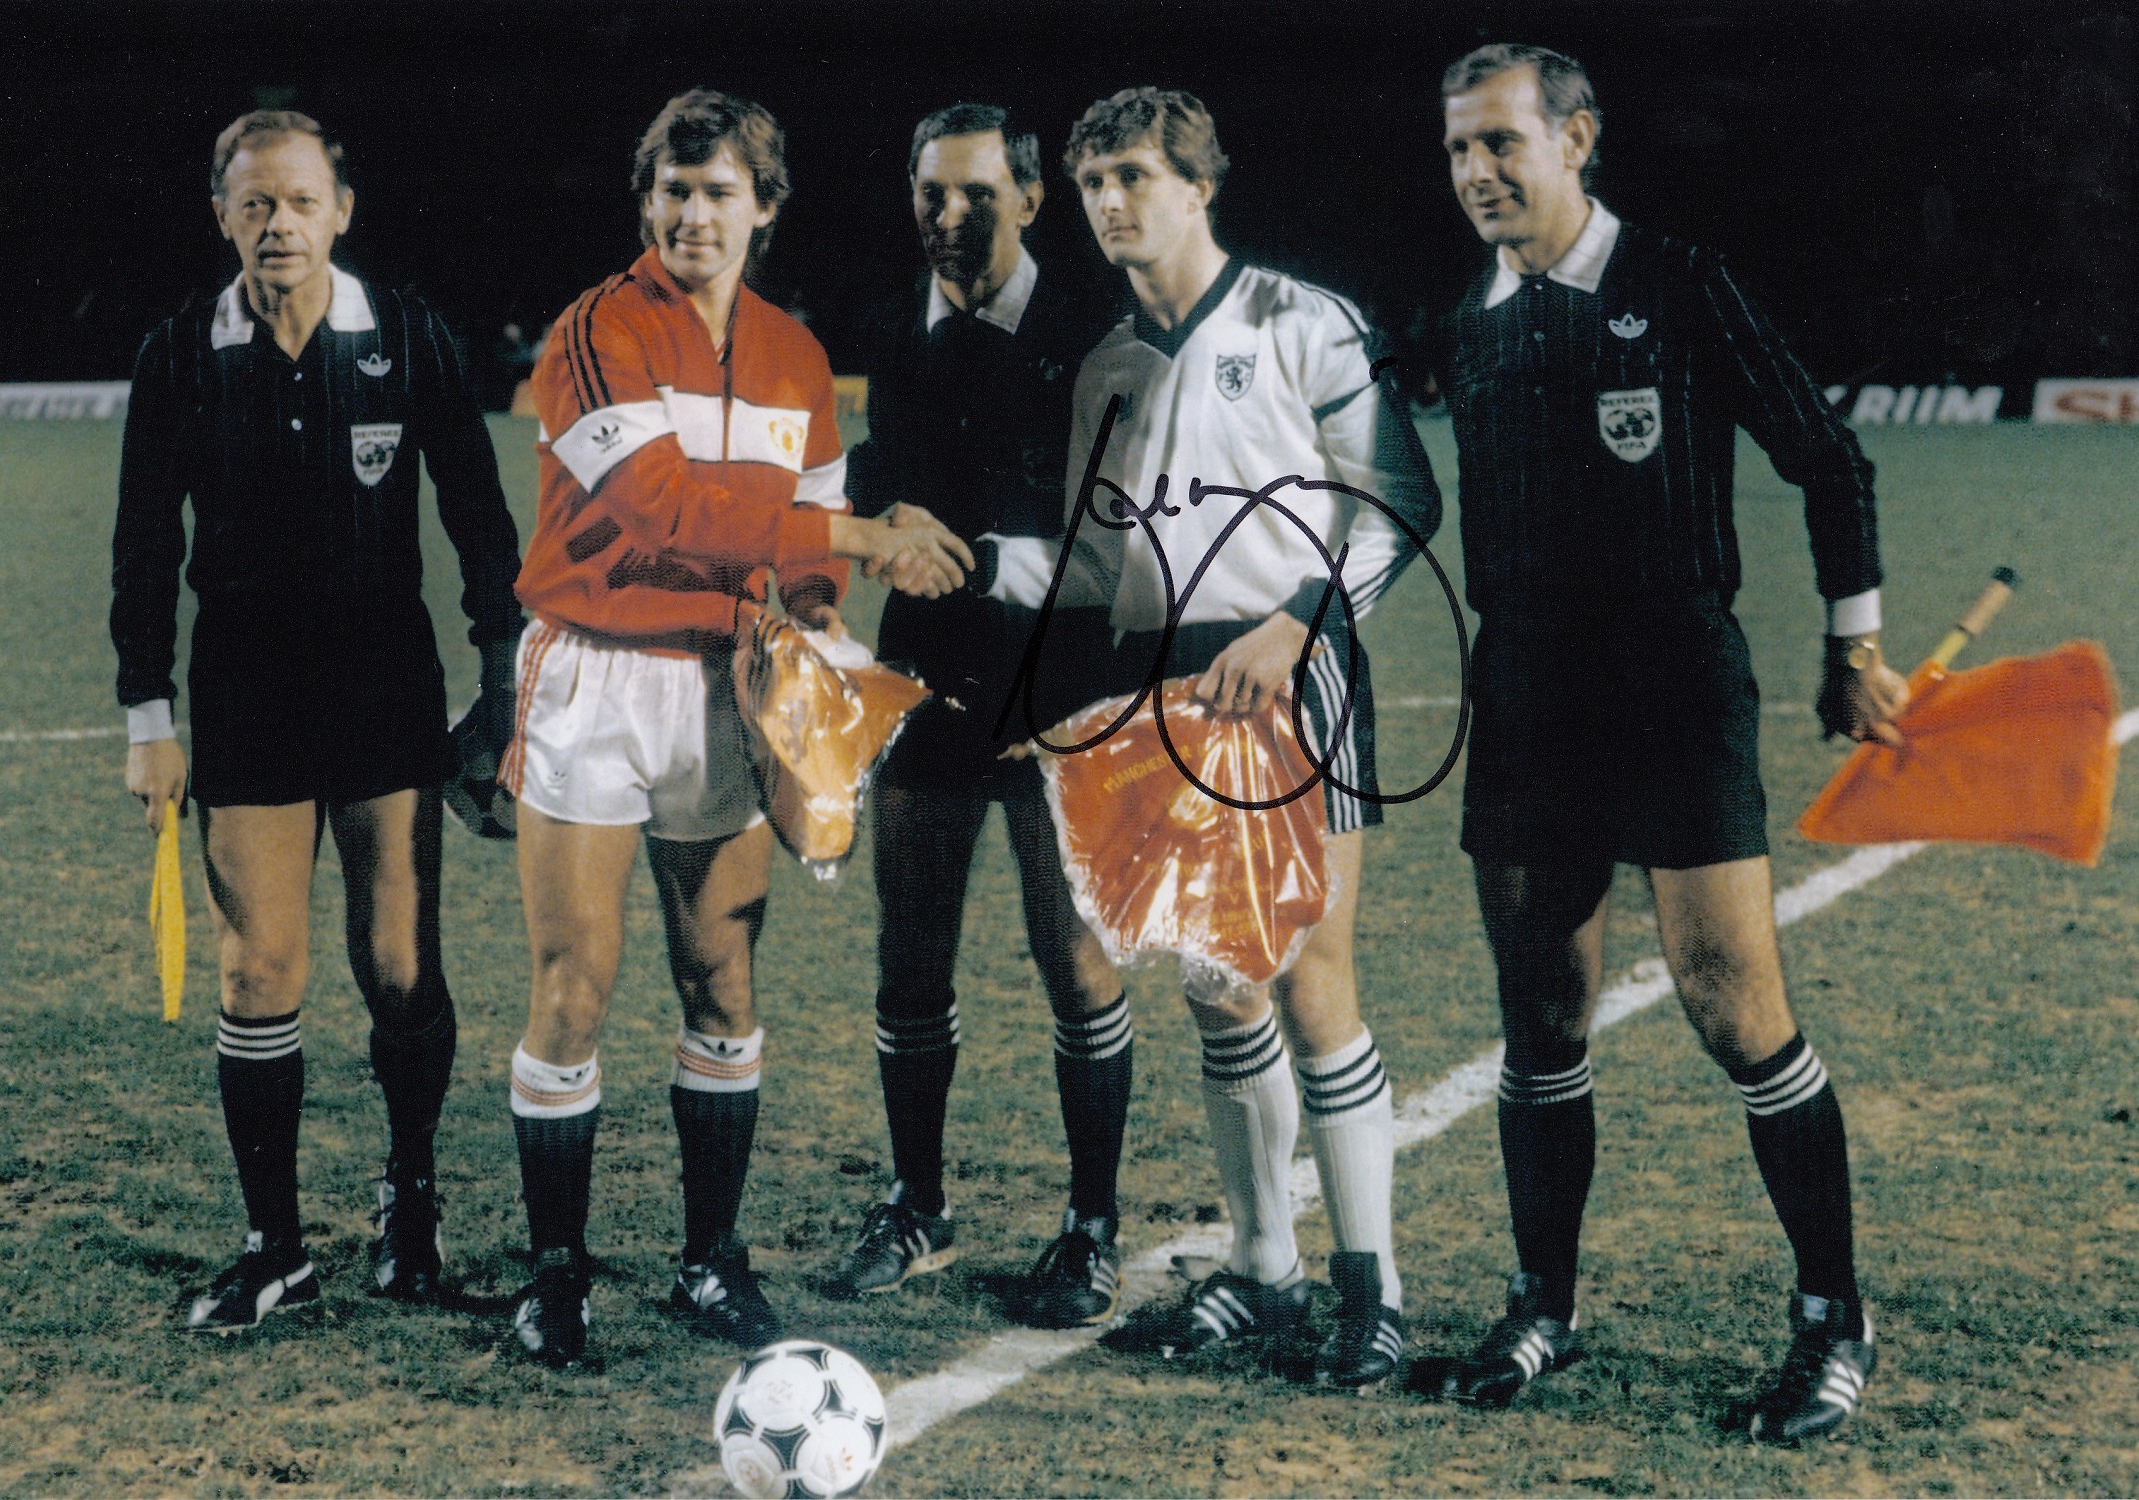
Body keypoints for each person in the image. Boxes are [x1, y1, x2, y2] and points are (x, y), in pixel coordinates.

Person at [1436, 44, 1909, 1442]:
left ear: (1576, 139)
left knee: (1729, 1004)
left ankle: (1831, 1315)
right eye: (1457, 149)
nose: (1476, 172)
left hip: (1671, 678)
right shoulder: (1467, 317)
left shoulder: (1680, 285)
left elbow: (1831, 461)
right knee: (1540, 1018)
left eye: (1502, 143)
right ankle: (1542, 1306)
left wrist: (1853, 643)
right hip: (1522, 690)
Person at [498, 87, 973, 1369]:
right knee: (574, 984)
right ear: (645, 201)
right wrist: (864, 538)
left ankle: (711, 1264)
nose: (692, 214)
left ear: (764, 205)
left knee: (723, 979)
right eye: (672, 190)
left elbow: (802, 550)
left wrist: (816, 642)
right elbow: (659, 508)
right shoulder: (596, 328)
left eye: (718, 192)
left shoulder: (796, 357)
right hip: (596, 677)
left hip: (726, 678)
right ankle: (557, 1279)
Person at [990, 87, 1442, 1386]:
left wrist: (1300, 626)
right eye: (1091, 185)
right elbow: (1088, 570)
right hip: (1164, 699)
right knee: (1213, 990)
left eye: (1135, 175)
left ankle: (1375, 1296)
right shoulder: (1107, 370)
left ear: (1199, 184)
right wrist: (962, 565)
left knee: (1307, 982)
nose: (1112, 203)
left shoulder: (1302, 322)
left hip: (1295, 676)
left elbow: (1399, 502)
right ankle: (1262, 1275)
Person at [111, 110, 526, 1330]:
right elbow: (143, 548)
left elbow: (483, 528)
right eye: (254, 204)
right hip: (243, 694)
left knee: (399, 968)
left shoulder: (408, 337)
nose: (278, 224)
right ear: (223, 215)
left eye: (299, 201)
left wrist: (499, 694)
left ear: (342, 209)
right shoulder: (183, 352)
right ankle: (275, 1244)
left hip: (382, 685)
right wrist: (149, 713)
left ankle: (411, 1210)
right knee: (259, 970)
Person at [816, 102, 1135, 1327]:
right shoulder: (898, 320)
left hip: (1067, 683)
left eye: (979, 195)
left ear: (1034, 196)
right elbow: (885, 475)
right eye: (931, 195)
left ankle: (1091, 1229)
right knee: (911, 954)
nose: (952, 218)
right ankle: (917, 1206)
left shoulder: (1099, 324)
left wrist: (985, 560)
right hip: (926, 679)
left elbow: (1124, 542)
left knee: (1077, 960)